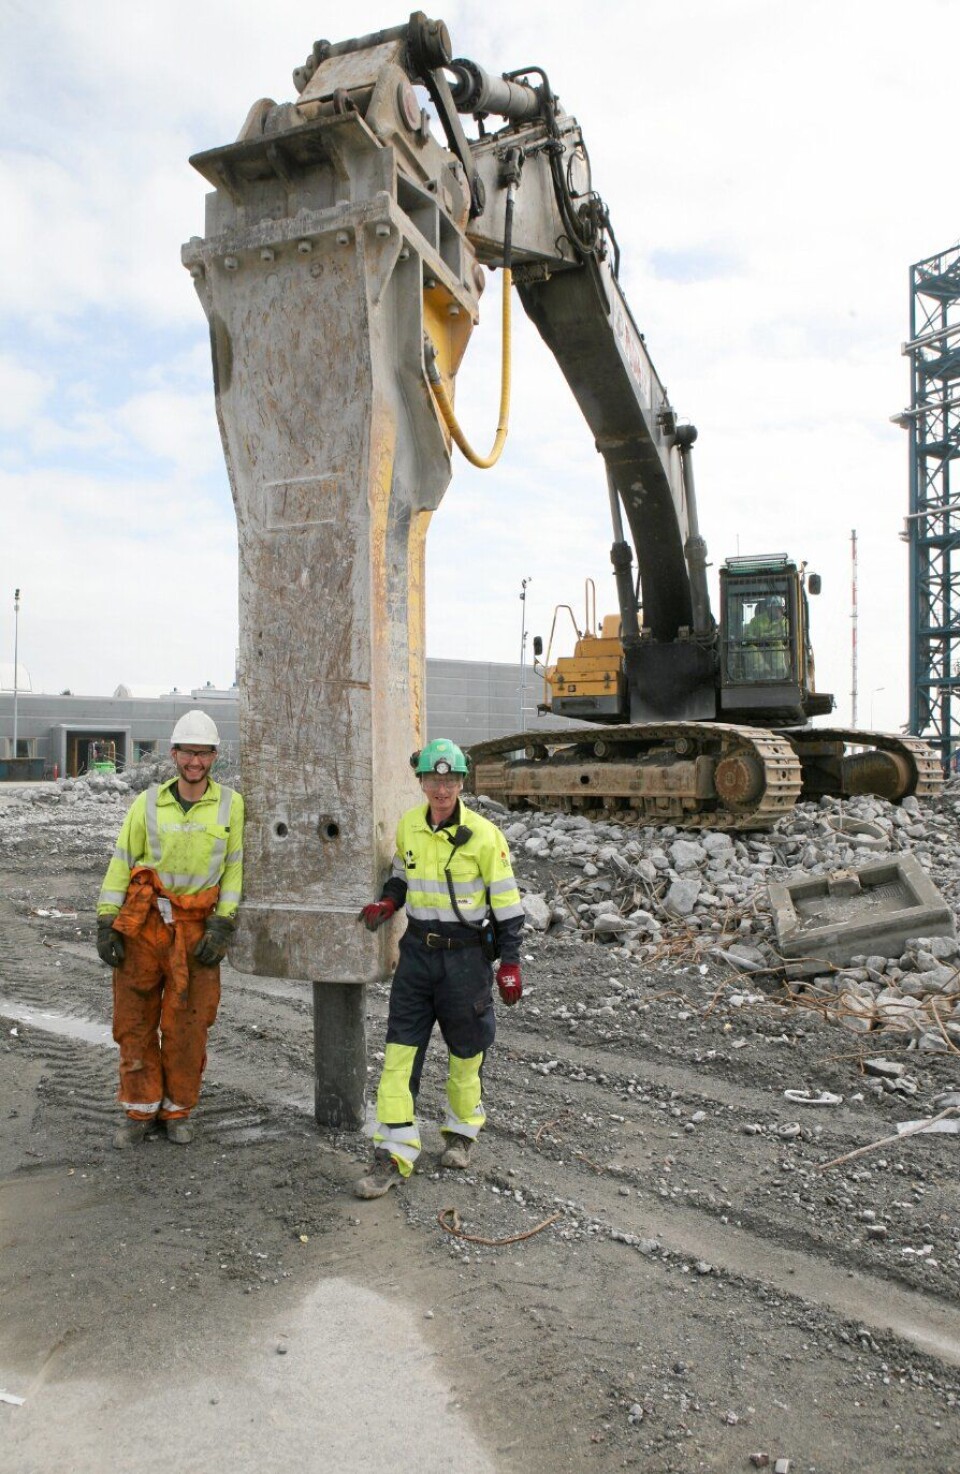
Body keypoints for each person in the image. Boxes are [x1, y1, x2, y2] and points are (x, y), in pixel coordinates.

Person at [354, 737, 525, 1200]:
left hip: (466, 958)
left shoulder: (487, 837)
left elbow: (508, 907)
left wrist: (509, 963)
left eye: (450, 779)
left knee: (467, 1052)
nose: (442, 788)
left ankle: (461, 1132)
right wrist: (389, 901)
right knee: (398, 1054)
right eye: (433, 778)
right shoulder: (410, 826)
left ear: (462, 782)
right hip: (417, 955)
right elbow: (403, 874)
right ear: (422, 781)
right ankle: (393, 1152)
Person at [96, 711, 244, 1149]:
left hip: (196, 929)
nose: (194, 762)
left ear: (214, 756)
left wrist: (224, 924)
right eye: (187, 752)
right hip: (145, 925)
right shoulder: (146, 804)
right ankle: (139, 1111)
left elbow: (234, 869)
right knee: (134, 1020)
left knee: (188, 1025)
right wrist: (107, 919)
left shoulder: (231, 805)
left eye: (202, 753)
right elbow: (121, 861)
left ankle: (177, 1109)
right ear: (173, 754)